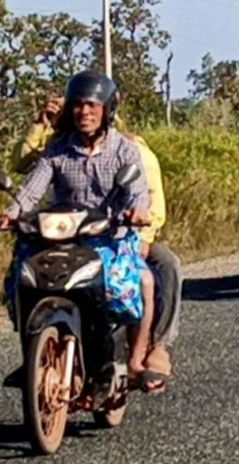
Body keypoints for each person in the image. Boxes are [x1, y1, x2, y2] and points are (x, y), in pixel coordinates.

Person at [5, 91, 182, 389]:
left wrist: (140, 219)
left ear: (107, 112)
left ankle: (143, 357)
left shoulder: (128, 149)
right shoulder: (57, 148)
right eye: (76, 106)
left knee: (148, 278)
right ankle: (33, 354)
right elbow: (30, 186)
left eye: (92, 106)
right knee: (23, 275)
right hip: (63, 233)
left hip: (111, 234)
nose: (83, 113)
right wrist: (11, 214)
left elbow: (143, 193)